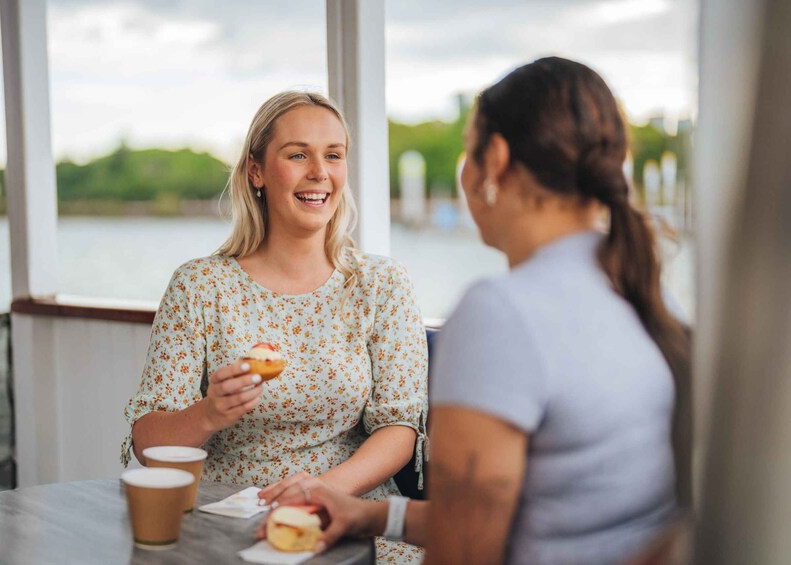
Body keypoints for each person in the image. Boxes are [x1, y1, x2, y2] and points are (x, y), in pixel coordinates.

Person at [265, 57, 692, 565]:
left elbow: (465, 552)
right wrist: (371, 515)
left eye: (468, 149)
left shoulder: (501, 315)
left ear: (495, 157)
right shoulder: (642, 288)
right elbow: (530, 514)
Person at [121, 91, 428, 563]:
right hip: (224, 520)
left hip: (348, 515)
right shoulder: (199, 286)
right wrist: (209, 413)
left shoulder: (381, 285)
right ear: (256, 171)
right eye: (298, 154)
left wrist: (320, 490)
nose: (319, 173)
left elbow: (399, 430)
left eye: (333, 155)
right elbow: (148, 443)